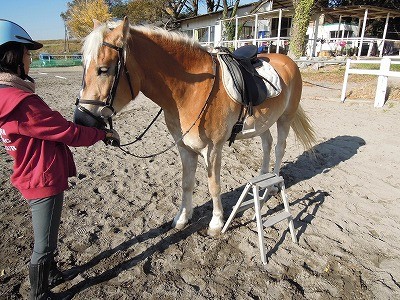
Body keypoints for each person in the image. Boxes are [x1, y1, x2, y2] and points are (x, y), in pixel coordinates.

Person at [0, 19, 119, 300]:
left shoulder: (6, 97)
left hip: (30, 171)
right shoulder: (22, 103)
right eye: (27, 54)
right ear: (13, 56)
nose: (30, 59)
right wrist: (101, 135)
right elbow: (65, 131)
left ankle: (51, 273)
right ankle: (39, 293)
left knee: (49, 237)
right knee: (43, 244)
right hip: (42, 177)